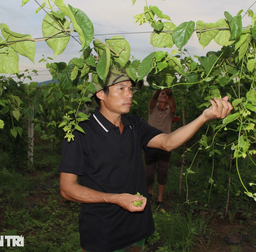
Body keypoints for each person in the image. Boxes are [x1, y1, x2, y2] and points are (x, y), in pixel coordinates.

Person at [58, 66, 233, 252]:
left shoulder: (134, 125)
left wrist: (203, 117)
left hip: (137, 227)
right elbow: (67, 189)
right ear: (101, 94)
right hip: (103, 233)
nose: (129, 95)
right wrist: (116, 199)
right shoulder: (80, 132)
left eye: (130, 89)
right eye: (121, 88)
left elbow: (168, 142)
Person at [145, 88, 176, 211]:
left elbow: (173, 107)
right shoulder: (153, 108)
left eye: (166, 95)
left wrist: (170, 94)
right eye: (161, 94)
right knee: (149, 173)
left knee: (162, 173)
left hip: (165, 146)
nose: (164, 96)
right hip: (151, 144)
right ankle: (149, 193)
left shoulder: (170, 111)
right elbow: (153, 100)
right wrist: (159, 90)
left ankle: (160, 199)